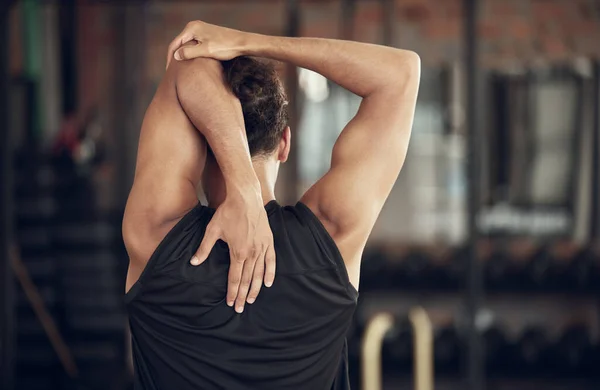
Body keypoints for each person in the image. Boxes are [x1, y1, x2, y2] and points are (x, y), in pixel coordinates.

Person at [122, 21, 420, 390]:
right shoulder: (333, 234)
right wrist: (251, 42)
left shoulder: (157, 234)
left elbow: (188, 64)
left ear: (200, 142)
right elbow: (401, 73)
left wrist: (240, 185)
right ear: (284, 142)